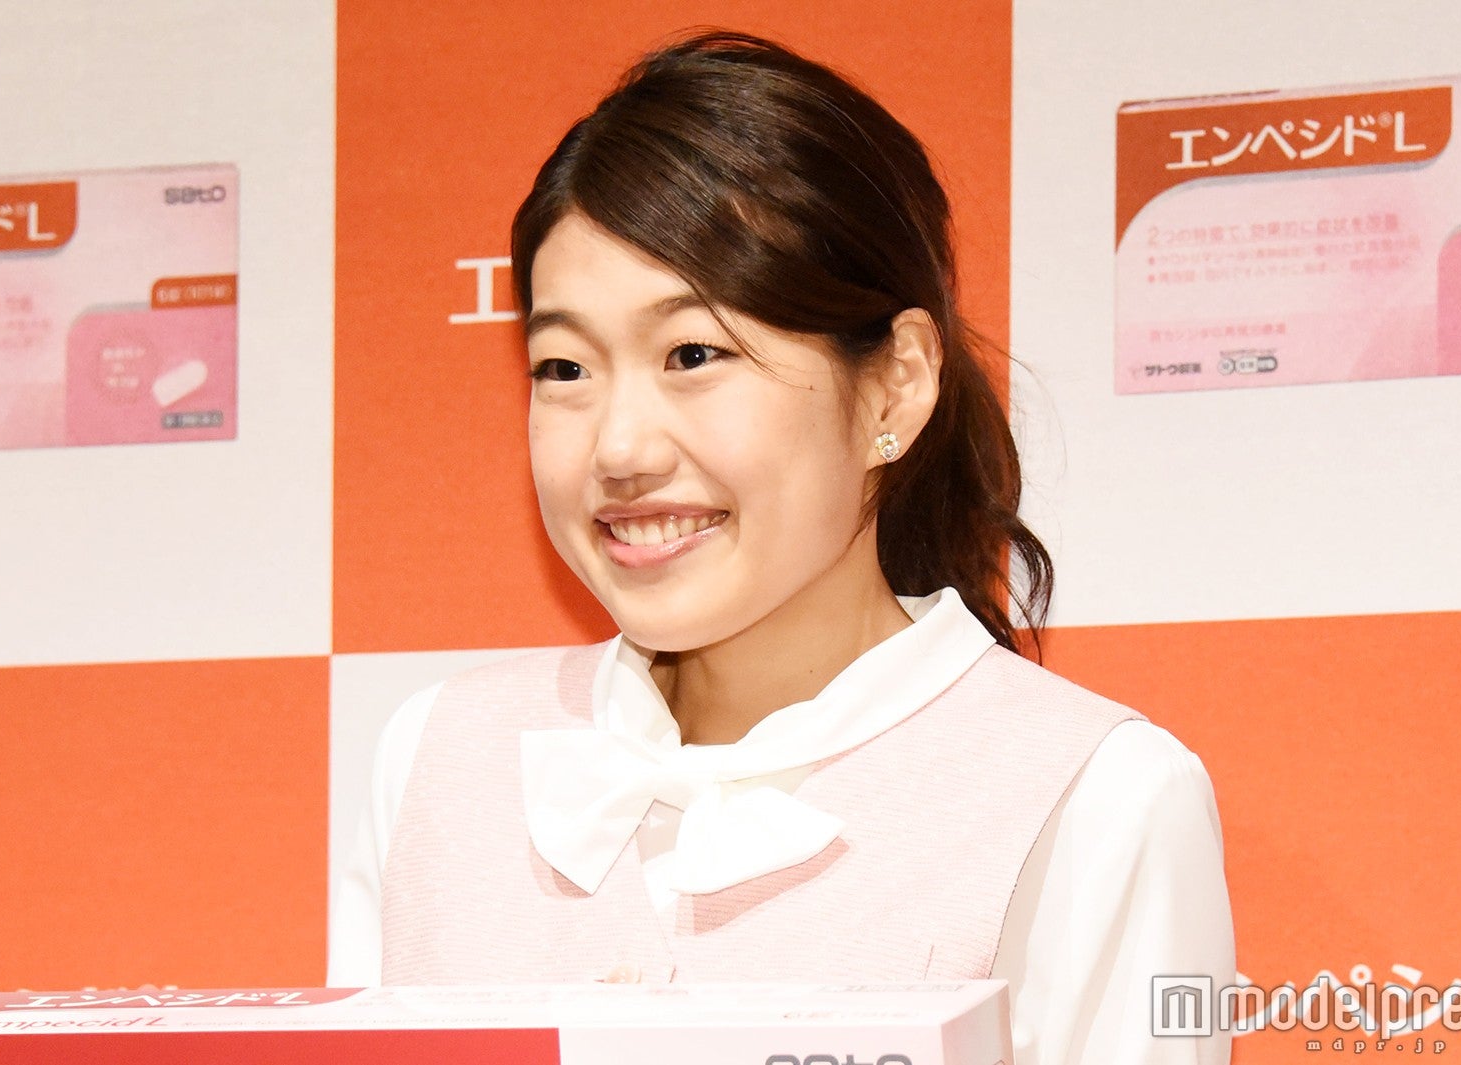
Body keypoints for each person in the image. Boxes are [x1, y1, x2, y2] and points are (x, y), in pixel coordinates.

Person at [329, 30, 1233, 1064]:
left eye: (693, 354)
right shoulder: (437, 760)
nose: (618, 449)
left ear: (895, 385)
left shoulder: (1096, 798)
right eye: (564, 368)